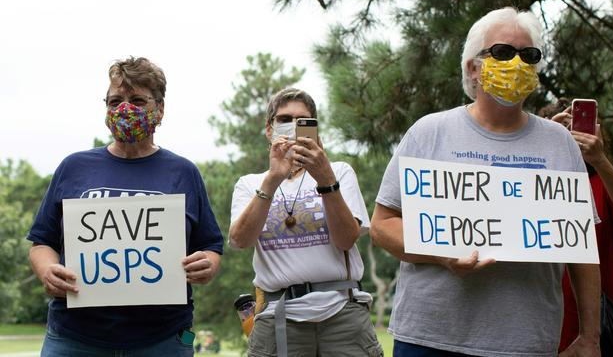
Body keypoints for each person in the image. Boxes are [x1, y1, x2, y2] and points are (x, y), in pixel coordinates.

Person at [370, 7, 601, 357]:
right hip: (429, 339)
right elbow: (382, 225)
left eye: (529, 55)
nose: (518, 63)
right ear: (472, 67)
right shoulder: (428, 132)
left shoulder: (560, 143)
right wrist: (442, 253)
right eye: (503, 53)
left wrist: (590, 338)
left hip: (524, 343)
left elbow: (583, 250)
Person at [27, 57, 223, 356]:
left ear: (159, 109)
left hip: (163, 338)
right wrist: (47, 271)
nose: (124, 109)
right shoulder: (74, 167)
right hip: (74, 336)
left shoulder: (183, 172)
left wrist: (207, 264)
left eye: (137, 100)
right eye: (115, 101)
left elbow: (210, 245)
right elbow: (42, 241)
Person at [229, 87, 383, 357]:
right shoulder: (249, 183)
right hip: (278, 314)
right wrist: (273, 179)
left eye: (303, 121)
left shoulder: (340, 172)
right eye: (284, 119)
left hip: (341, 312)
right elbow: (240, 240)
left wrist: (325, 179)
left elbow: (346, 239)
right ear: (269, 129)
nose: (293, 127)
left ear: (315, 129)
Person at [548, 105, 613, 352]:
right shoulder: (540, 185)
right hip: (544, 319)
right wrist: (545, 143)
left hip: (598, 326)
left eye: (579, 127)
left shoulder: (600, 181)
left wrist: (599, 160)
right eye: (563, 130)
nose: (572, 136)